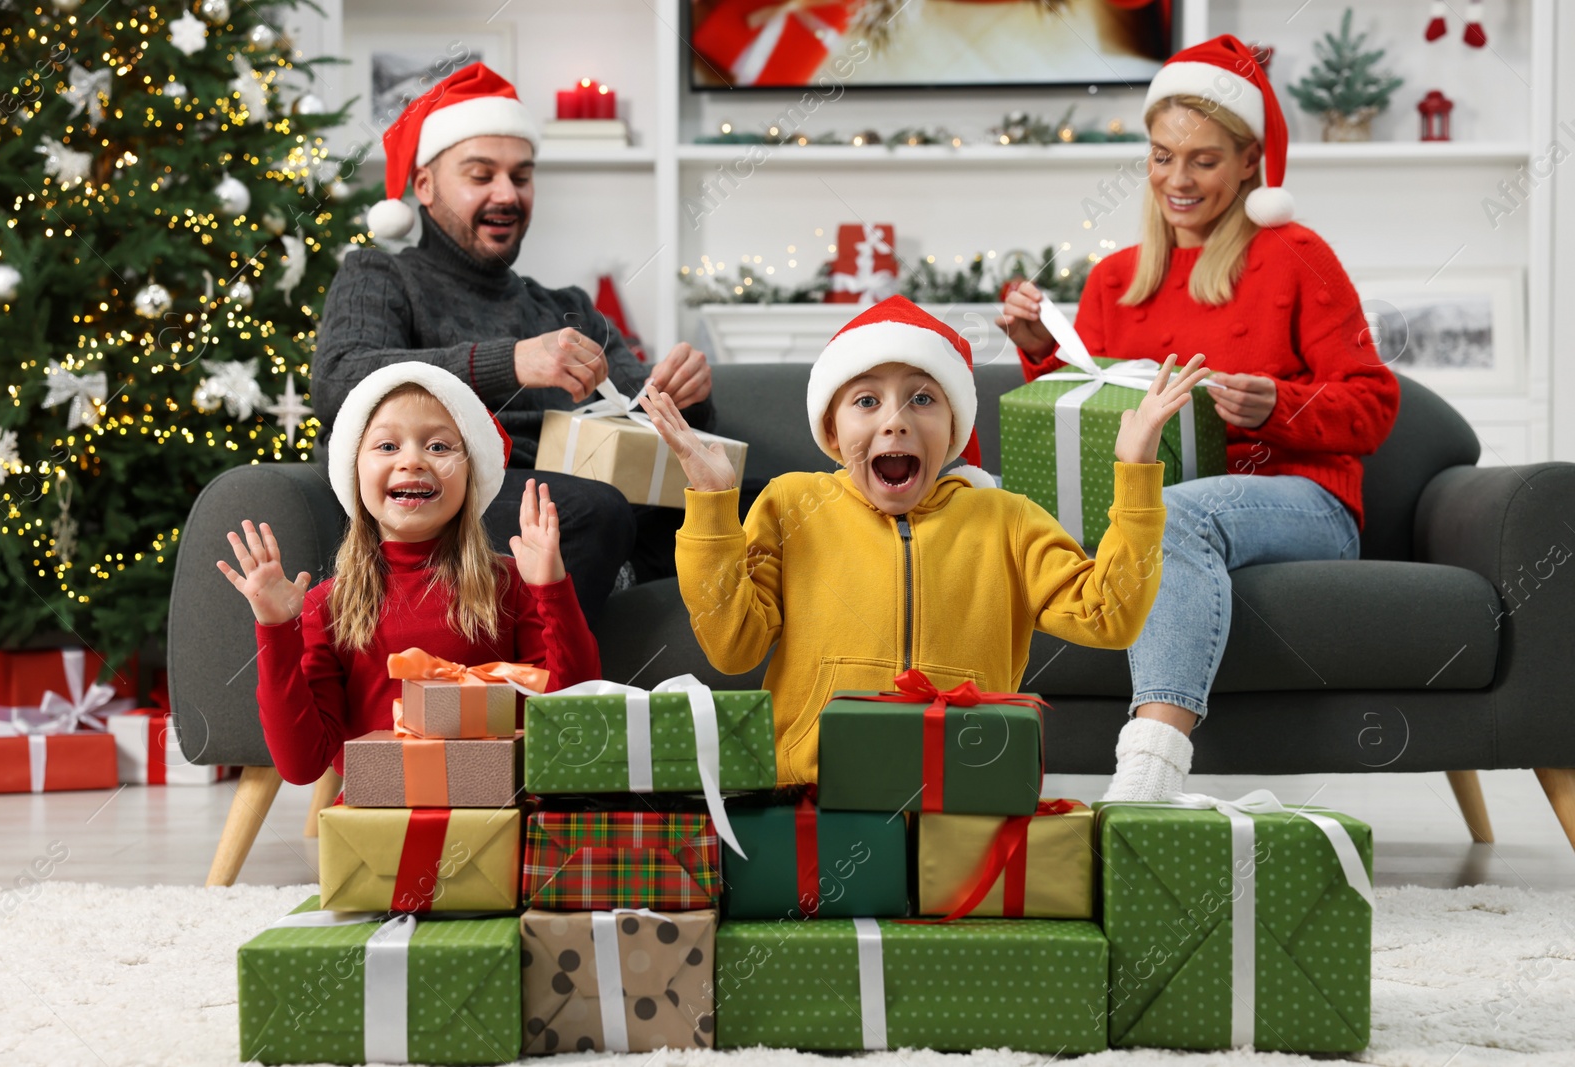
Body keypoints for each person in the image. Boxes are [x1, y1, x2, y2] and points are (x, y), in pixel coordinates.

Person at [998, 35, 1401, 801]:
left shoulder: (1294, 255)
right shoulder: (1117, 278)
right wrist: (1041, 352)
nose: (1175, 180)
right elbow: (1095, 408)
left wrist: (1279, 405)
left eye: (1203, 160)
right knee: (983, 495)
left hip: (1299, 498)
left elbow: (1375, 406)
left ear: (1250, 160)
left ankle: (1148, 772)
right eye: (1160, 156)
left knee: (1170, 516)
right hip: (1171, 497)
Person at [641, 295, 1209, 786]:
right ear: (833, 431)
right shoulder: (792, 504)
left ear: (955, 429)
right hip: (815, 790)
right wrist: (713, 509)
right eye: (867, 401)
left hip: (966, 792)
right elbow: (732, 647)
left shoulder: (1005, 517)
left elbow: (1109, 616)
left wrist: (1136, 474)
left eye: (922, 399)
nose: (896, 421)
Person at [313, 63, 715, 622]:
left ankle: (615, 581)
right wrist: (514, 360)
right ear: (424, 186)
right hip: (456, 497)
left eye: (521, 177)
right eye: (481, 176)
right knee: (588, 511)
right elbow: (340, 378)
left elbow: (640, 405)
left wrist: (685, 395)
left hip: (575, 493)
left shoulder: (562, 305)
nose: (507, 194)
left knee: (758, 497)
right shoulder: (380, 277)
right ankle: (533, 673)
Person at [217, 361, 602, 785]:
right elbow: (301, 765)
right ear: (354, 470)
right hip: (377, 823)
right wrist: (276, 631)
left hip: (492, 815)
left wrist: (551, 590)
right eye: (386, 446)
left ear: (471, 472)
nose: (413, 461)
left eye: (439, 447)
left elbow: (574, 720)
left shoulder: (510, 586)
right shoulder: (326, 606)